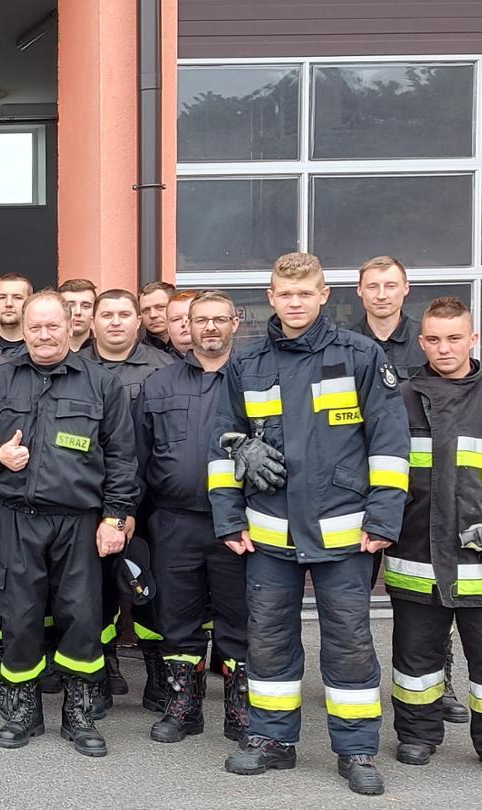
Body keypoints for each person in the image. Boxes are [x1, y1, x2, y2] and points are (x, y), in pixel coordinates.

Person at [208, 252, 409, 796]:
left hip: (344, 534)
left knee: (348, 643)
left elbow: (390, 444)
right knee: (268, 641)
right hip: (269, 532)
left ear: (324, 296)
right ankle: (272, 739)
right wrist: (228, 516)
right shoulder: (246, 364)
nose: (294, 303)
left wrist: (385, 516)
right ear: (270, 299)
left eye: (305, 294)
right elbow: (221, 442)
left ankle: (357, 748)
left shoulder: (360, 356)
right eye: (284, 294)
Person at [0, 291, 137, 758]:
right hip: (17, 517)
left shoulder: (101, 384)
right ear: (24, 327)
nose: (43, 335)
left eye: (52, 326)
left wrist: (114, 517)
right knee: (18, 615)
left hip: (79, 522)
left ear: (71, 326)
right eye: (35, 327)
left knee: (81, 617)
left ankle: (78, 711)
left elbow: (122, 457)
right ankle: (23, 708)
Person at [387, 296, 482, 782]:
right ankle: (417, 735)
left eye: (454, 338)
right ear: (421, 340)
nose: (443, 348)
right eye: (433, 339)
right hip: (416, 556)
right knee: (415, 660)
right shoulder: (401, 398)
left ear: (473, 339)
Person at [133, 291, 250, 744]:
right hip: (173, 523)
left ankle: (240, 709)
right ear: (188, 325)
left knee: (238, 620)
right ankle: (182, 706)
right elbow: (138, 456)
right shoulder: (159, 384)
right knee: (176, 619)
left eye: (220, 320)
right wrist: (128, 517)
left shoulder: (254, 381)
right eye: (201, 320)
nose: (210, 329)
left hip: (237, 525)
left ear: (235, 323)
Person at [85, 289, 177, 700]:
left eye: (125, 314)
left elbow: (171, 441)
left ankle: (157, 674)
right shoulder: (75, 367)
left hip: (150, 500)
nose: (116, 322)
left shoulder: (165, 369)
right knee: (96, 590)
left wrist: (132, 507)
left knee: (150, 590)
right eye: (107, 314)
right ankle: (104, 667)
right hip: (88, 499)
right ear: (92, 322)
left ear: (138, 322)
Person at [351, 256, 427, 381]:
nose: (381, 295)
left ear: (406, 288)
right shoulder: (345, 345)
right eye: (372, 287)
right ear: (359, 290)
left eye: (390, 286)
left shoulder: (428, 340)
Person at [0, 273, 32, 367]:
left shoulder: (39, 346)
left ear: (30, 305)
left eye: (17, 297)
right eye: (2, 297)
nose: (8, 304)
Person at [57, 279, 99, 351]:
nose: (78, 312)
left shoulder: (104, 353)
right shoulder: (45, 351)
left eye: (85, 306)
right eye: (70, 306)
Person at [138, 281, 178, 353]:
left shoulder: (194, 350)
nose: (153, 315)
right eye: (146, 310)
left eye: (160, 307)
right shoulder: (137, 355)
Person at [165, 290, 199, 356]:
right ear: (168, 327)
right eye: (176, 319)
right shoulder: (157, 364)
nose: (184, 323)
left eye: (190, 317)